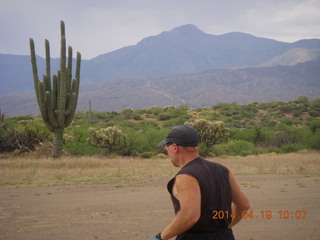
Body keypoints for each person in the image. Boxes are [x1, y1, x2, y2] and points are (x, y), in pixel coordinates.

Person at [152, 125, 250, 240]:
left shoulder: (186, 176)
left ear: (174, 147)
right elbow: (244, 205)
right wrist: (225, 226)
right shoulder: (223, 170)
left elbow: (190, 216)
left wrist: (161, 237)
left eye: (166, 147)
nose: (167, 152)